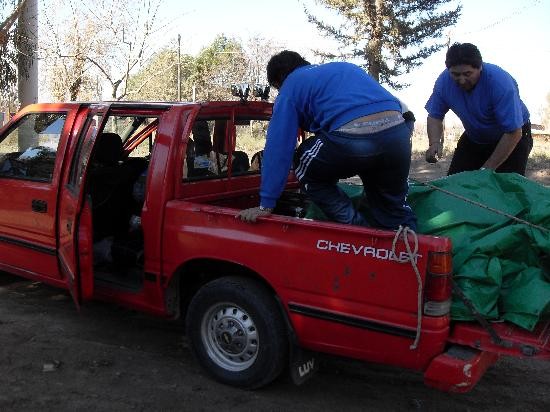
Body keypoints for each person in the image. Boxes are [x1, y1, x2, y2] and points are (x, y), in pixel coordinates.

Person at [237, 50, 417, 231]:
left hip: (353, 139)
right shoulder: (346, 68)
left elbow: (278, 148)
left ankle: (358, 231)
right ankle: (408, 244)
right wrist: (397, 144)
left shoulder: (290, 87)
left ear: (278, 81)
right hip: (398, 135)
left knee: (302, 163)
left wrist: (266, 203)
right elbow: (407, 114)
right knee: (392, 209)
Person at [425, 42, 532, 175]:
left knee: (504, 188)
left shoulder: (500, 83)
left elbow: (513, 132)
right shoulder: (443, 82)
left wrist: (486, 170)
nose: (462, 80)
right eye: (456, 75)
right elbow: (435, 116)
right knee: (456, 183)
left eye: (467, 74)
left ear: (480, 67)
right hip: (475, 137)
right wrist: (434, 143)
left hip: (512, 136)